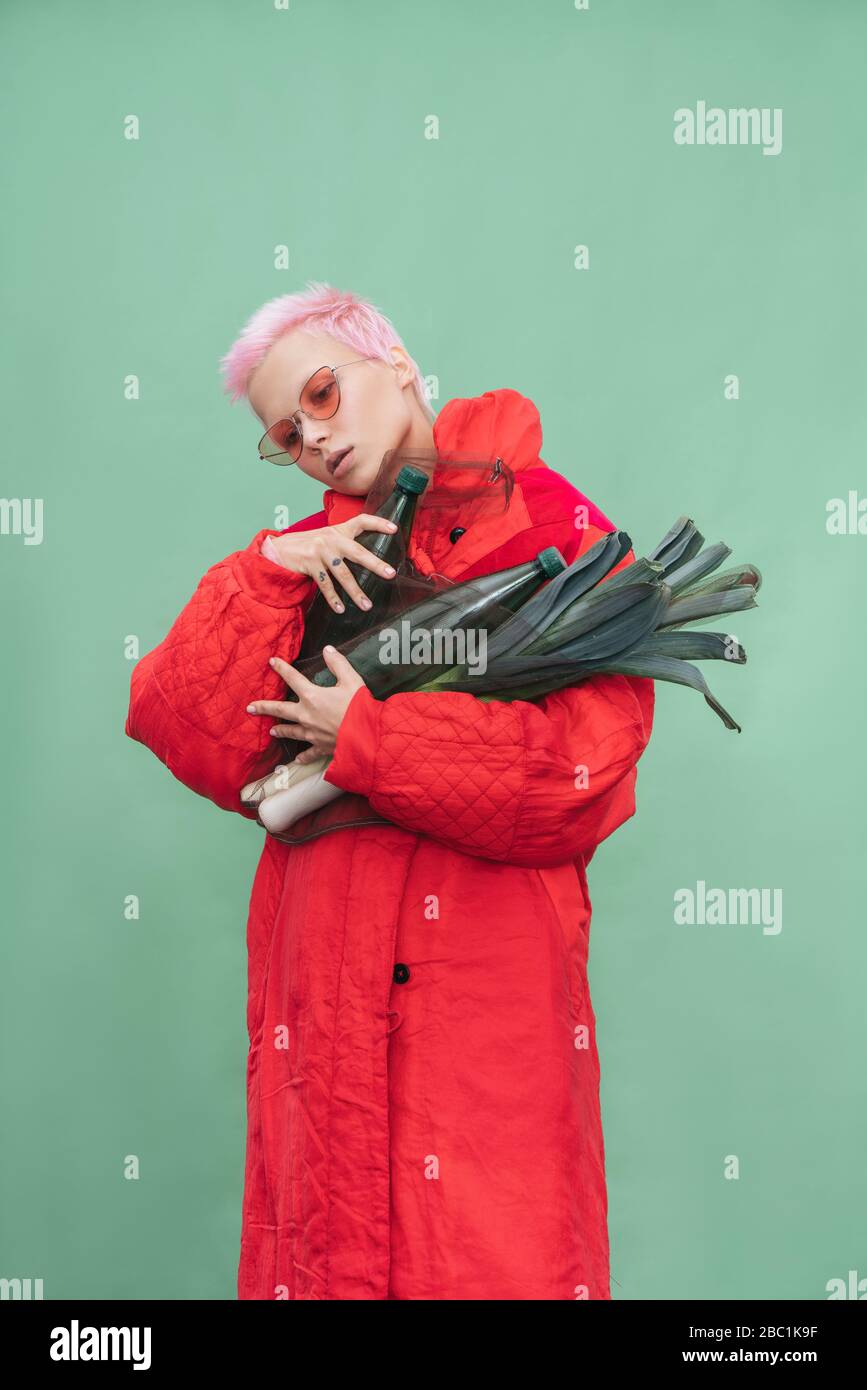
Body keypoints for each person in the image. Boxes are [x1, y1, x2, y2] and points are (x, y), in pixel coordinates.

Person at [124, 280, 655, 1300]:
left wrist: (369, 738)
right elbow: (182, 726)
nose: (312, 437)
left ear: (398, 363)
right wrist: (276, 563)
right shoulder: (309, 565)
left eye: (322, 394)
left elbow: (583, 775)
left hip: (482, 1005)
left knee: (487, 1257)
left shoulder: (550, 524)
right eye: (285, 431)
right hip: (318, 1012)